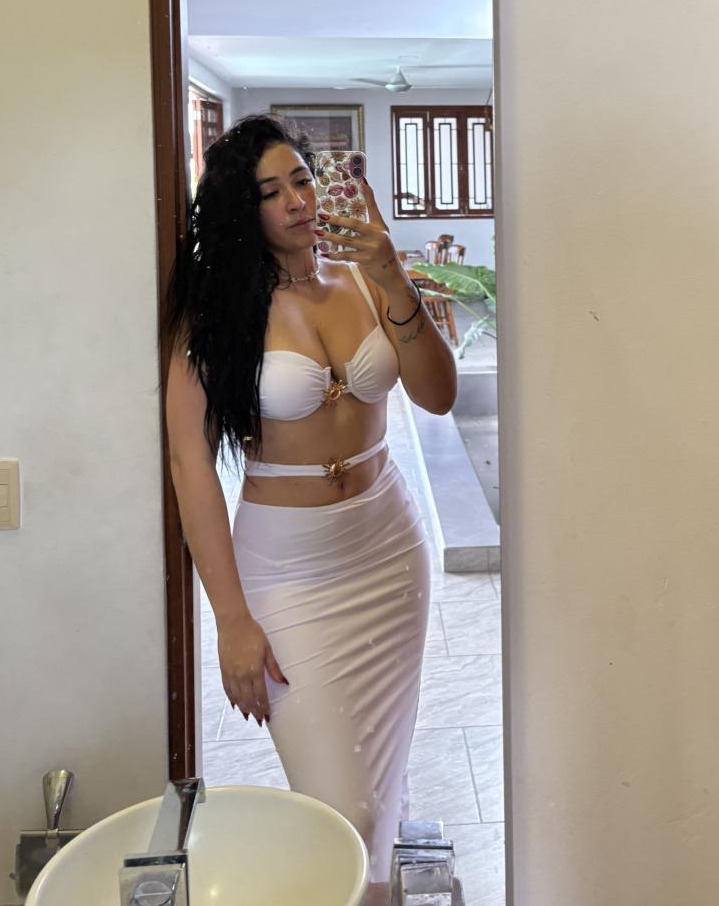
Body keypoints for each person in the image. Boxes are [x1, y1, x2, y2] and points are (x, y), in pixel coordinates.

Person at [164, 115, 457, 885]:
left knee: (381, 794)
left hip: (390, 551)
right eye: (271, 191)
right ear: (243, 209)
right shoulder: (215, 313)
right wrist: (231, 620)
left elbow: (437, 395)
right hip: (289, 572)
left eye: (301, 180)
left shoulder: (362, 276)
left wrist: (392, 274)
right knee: (342, 814)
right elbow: (191, 465)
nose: (296, 201)